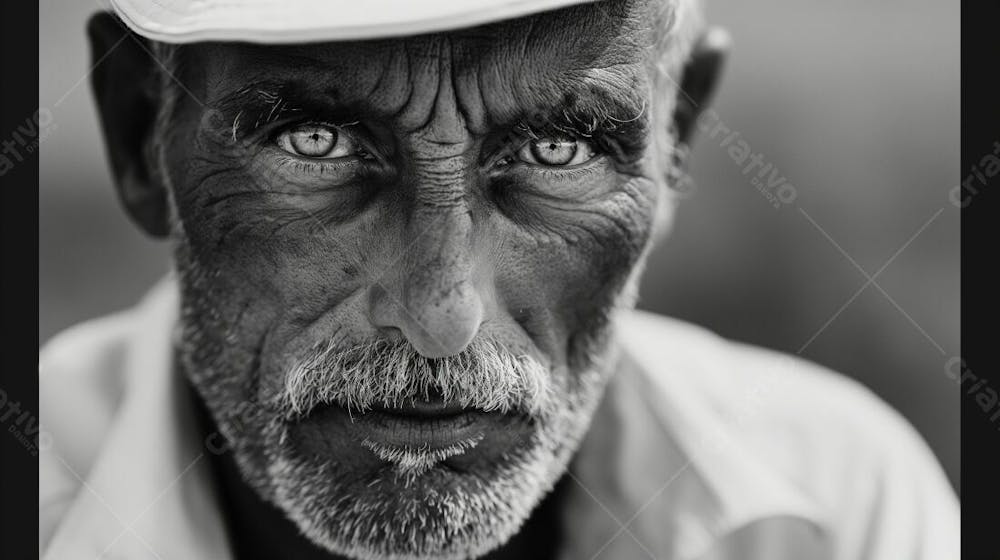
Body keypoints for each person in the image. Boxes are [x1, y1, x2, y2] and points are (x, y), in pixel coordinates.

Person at [39, 0, 959, 558]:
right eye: (313, 143)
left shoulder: (832, 518)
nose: (444, 317)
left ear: (676, 138)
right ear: (138, 133)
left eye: (558, 149)